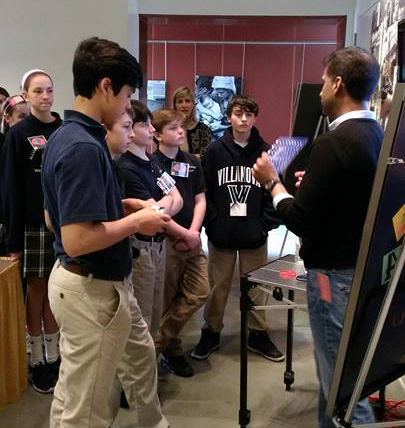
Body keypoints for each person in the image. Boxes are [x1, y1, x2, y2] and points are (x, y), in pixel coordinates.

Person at [41, 37, 170, 428]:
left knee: (137, 359)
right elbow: (77, 237)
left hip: (103, 282)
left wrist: (120, 208)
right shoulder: (82, 146)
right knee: (88, 407)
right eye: (127, 93)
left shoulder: (69, 136)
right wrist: (135, 222)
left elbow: (55, 217)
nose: (128, 106)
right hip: (92, 287)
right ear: (105, 86)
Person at [252, 47, 382, 427]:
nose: (319, 91)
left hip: (331, 280)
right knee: (336, 377)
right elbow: (355, 196)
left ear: (338, 84)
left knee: (342, 391)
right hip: (360, 272)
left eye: (324, 82)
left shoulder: (333, 142)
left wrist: (272, 184)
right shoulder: (375, 134)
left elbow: (302, 220)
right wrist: (318, 185)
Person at [191, 95, 284, 363]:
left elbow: (275, 192)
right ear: (229, 116)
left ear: (255, 118)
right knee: (217, 286)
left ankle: (258, 333)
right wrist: (213, 222)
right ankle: (211, 332)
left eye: (249, 114)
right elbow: (203, 191)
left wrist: (263, 224)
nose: (243, 119)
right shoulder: (214, 152)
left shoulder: (267, 152)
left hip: (254, 234)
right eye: (238, 114)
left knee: (257, 285)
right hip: (222, 234)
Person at [0, 69, 61, 394]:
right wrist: (13, 239)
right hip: (33, 226)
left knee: (56, 291)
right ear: (25, 94)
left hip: (63, 224)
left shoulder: (63, 129)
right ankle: (37, 358)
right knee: (36, 290)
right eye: (38, 91)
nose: (45, 96)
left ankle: (54, 352)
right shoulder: (18, 134)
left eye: (49, 90)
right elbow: (9, 187)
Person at [118, 100, 183, 340]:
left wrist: (159, 207)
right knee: (142, 317)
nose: (153, 131)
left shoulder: (152, 161)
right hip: (140, 248)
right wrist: (161, 207)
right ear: (131, 129)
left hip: (159, 245)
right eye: (146, 125)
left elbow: (177, 198)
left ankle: (151, 366)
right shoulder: (126, 167)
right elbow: (157, 213)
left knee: (156, 312)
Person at [152, 108, 209, 378]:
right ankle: (173, 351)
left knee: (199, 291)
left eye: (181, 127)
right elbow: (156, 211)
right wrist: (181, 234)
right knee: (166, 298)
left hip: (192, 238)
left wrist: (193, 233)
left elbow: (200, 199)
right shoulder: (151, 164)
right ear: (158, 133)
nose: (180, 132)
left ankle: (156, 344)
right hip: (166, 239)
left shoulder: (193, 162)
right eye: (174, 128)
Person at [0, 95, 30, 255]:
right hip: (9, 223)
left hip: (26, 220)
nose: (27, 121)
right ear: (7, 118)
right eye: (22, 116)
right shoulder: (7, 144)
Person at [173, 86, 211, 158]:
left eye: (187, 101)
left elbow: (205, 156)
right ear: (175, 105)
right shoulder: (168, 128)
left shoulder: (204, 129)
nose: (184, 105)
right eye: (180, 102)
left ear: (193, 104)